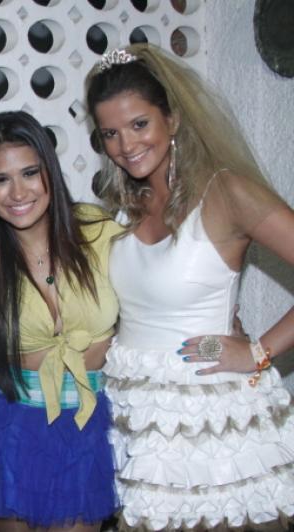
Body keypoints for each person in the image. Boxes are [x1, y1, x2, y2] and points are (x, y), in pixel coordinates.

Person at [86, 43, 294, 530]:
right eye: (110, 133)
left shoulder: (227, 192)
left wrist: (258, 351)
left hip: (208, 428)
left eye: (140, 124)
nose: (126, 145)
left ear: (173, 119)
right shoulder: (125, 206)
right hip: (135, 420)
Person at [0, 111, 121, 531]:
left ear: (49, 173)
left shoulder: (98, 231)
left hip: (89, 423)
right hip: (12, 425)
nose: (18, 192)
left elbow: (156, 297)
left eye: (29, 173)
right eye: (0, 179)